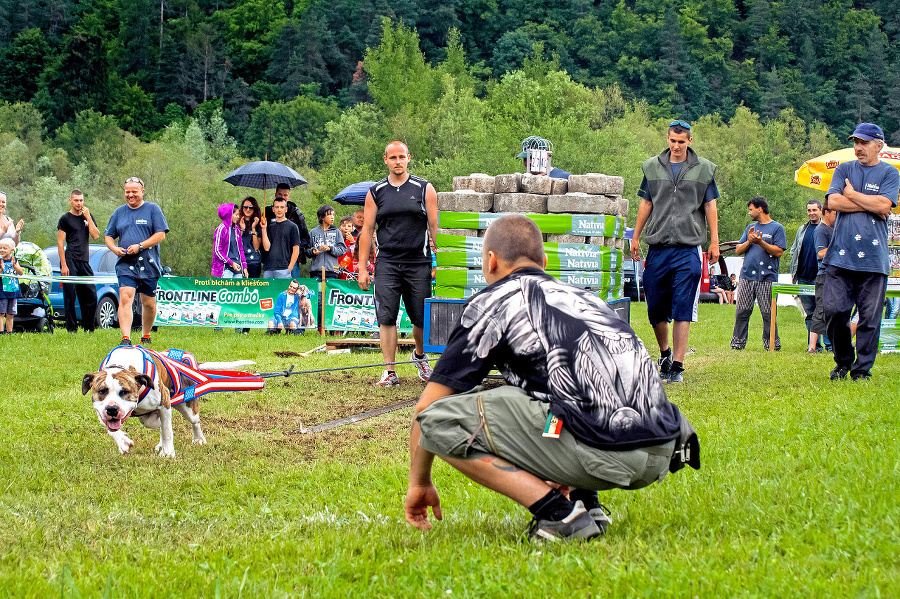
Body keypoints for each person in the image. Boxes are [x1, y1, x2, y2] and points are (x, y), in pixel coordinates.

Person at [404, 215, 699, 541]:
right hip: (664, 446)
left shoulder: (492, 302)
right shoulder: (588, 299)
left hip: (609, 453)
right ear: (543, 262)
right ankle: (586, 503)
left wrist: (419, 483)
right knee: (542, 397)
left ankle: (560, 515)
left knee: (441, 420)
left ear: (490, 261)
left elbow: (427, 412)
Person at [630, 120, 720, 383]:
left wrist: (714, 242)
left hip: (688, 247)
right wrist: (635, 236)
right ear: (667, 139)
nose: (677, 146)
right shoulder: (652, 166)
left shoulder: (703, 169)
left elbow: (711, 207)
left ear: (689, 141)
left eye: (681, 142)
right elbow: (646, 203)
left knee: (682, 306)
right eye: (672, 141)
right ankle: (665, 353)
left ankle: (677, 366)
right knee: (655, 307)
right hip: (658, 248)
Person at [357, 141, 438, 387]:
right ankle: (389, 371)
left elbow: (435, 228)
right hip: (387, 263)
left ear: (409, 158)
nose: (398, 162)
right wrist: (362, 268)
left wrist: (441, 261)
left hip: (418, 261)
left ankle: (420, 357)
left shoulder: (425, 188)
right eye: (393, 158)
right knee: (387, 317)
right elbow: (367, 229)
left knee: (421, 318)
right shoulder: (376, 191)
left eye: (401, 157)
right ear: (385, 160)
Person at [823, 123, 899, 381]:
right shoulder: (844, 169)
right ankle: (843, 361)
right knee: (834, 311)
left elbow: (885, 205)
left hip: (874, 260)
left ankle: (862, 370)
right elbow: (832, 202)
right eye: (856, 142)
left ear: (879, 145)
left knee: (869, 319)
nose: (858, 147)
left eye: (864, 142)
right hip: (840, 257)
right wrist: (871, 204)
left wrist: (853, 194)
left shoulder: (890, 173)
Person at [104, 177, 169, 347]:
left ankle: (145, 334)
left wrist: (140, 246)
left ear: (142, 192)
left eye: (134, 191)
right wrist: (114, 249)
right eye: (127, 192)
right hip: (126, 263)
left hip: (149, 263)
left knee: (148, 303)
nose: (130, 195)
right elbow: (108, 236)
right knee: (125, 297)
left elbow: (161, 234)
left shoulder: (153, 209)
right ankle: (126, 338)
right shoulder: (119, 212)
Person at [730, 197, 786, 351]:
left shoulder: (777, 228)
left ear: (760, 209)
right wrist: (749, 241)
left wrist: (761, 242)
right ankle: (737, 344)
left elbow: (779, 252)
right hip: (747, 276)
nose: (749, 213)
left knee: (768, 314)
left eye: (751, 209)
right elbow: (738, 250)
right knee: (742, 312)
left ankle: (772, 344)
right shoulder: (750, 227)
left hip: (767, 277)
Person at [57, 190, 100, 333]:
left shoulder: (87, 216)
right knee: (70, 295)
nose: (79, 203)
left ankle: (89, 327)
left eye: (81, 200)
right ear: (70, 201)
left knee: (90, 295)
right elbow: (60, 242)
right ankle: (71, 328)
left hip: (84, 260)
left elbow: (95, 235)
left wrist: (88, 217)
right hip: (70, 259)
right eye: (76, 200)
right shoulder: (65, 219)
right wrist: (63, 264)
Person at [789, 199, 827, 352]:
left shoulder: (827, 228)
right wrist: (794, 273)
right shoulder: (802, 229)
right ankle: (814, 346)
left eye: (814, 210)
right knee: (810, 313)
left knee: (825, 312)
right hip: (804, 277)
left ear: (821, 210)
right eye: (809, 210)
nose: (811, 213)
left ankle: (830, 345)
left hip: (822, 277)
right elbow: (794, 252)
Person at [264, 184, 310, 278]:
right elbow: (264, 238)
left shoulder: (297, 214)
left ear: (289, 196)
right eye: (280, 194)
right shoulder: (267, 212)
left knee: (292, 289)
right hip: (271, 262)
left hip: (290, 261)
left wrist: (294, 254)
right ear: (276, 194)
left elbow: (305, 237)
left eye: (285, 195)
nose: (283, 197)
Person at [810, 199, 835, 351]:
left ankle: (832, 345)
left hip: (835, 275)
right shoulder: (821, 229)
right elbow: (820, 253)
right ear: (826, 212)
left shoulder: (834, 228)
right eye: (836, 213)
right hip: (824, 275)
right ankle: (812, 347)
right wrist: (839, 246)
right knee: (820, 310)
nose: (838, 216)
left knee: (833, 311)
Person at [261, 196, 300, 279]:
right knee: (268, 292)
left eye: (282, 207)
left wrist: (290, 268)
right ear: (273, 209)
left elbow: (296, 249)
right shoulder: (270, 227)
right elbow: (266, 248)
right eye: (277, 207)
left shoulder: (293, 226)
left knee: (283, 292)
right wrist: (264, 229)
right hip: (268, 268)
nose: (279, 210)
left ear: (286, 209)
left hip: (284, 269)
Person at [307, 204, 347, 281]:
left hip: (332, 271)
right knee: (318, 293)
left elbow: (342, 250)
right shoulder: (313, 232)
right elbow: (307, 251)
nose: (332, 217)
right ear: (322, 217)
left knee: (329, 293)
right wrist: (313, 251)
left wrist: (330, 249)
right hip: (316, 272)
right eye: (329, 215)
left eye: (333, 215)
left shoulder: (337, 232)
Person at [211, 203, 248, 279]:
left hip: (237, 268)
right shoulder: (221, 229)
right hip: (225, 268)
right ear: (229, 215)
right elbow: (217, 250)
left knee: (238, 290)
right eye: (236, 214)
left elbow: (240, 249)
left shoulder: (237, 229)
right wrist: (231, 262)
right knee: (226, 290)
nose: (238, 217)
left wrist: (244, 266)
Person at [0, 238, 24, 333]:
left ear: (12, 250)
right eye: (0, 248)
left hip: (13, 290)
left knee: (11, 314)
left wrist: (15, 266)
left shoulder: (14, 260)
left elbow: (21, 273)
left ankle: (9, 332)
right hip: (2, 291)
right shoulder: (0, 261)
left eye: (5, 248)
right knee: (1, 313)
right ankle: (1, 332)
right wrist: (1, 269)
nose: (2, 250)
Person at [238, 196, 263, 278]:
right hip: (239, 261)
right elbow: (235, 243)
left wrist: (253, 228)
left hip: (254, 262)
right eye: (245, 207)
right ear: (242, 208)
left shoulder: (258, 224)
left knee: (253, 289)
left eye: (251, 207)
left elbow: (256, 247)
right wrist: (241, 229)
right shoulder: (236, 222)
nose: (248, 210)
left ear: (255, 209)